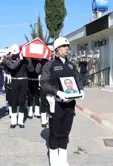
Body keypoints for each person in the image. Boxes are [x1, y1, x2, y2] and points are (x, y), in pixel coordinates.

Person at [40, 37, 84, 166]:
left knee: (65, 132)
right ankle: (54, 159)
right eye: (64, 46)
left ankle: (63, 159)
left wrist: (80, 89)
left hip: (70, 104)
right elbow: (43, 83)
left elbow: (77, 79)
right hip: (56, 103)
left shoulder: (71, 65)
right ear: (57, 49)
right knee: (55, 132)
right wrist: (57, 92)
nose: (66, 48)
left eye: (67, 46)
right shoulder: (49, 65)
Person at [3, 44, 32, 129]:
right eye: (13, 53)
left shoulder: (25, 59)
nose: (15, 54)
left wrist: (28, 60)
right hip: (14, 81)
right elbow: (12, 67)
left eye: (16, 53)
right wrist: (20, 60)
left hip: (24, 81)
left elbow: (31, 69)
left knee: (22, 101)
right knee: (14, 101)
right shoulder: (8, 59)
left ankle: (20, 121)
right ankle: (13, 121)